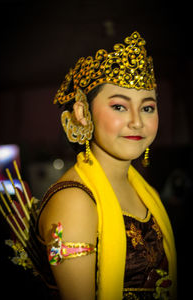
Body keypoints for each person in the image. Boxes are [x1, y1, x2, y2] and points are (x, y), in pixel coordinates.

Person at [37, 31, 177, 300]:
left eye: (147, 108)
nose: (137, 122)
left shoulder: (143, 190)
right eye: (119, 107)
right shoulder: (74, 201)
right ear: (82, 112)